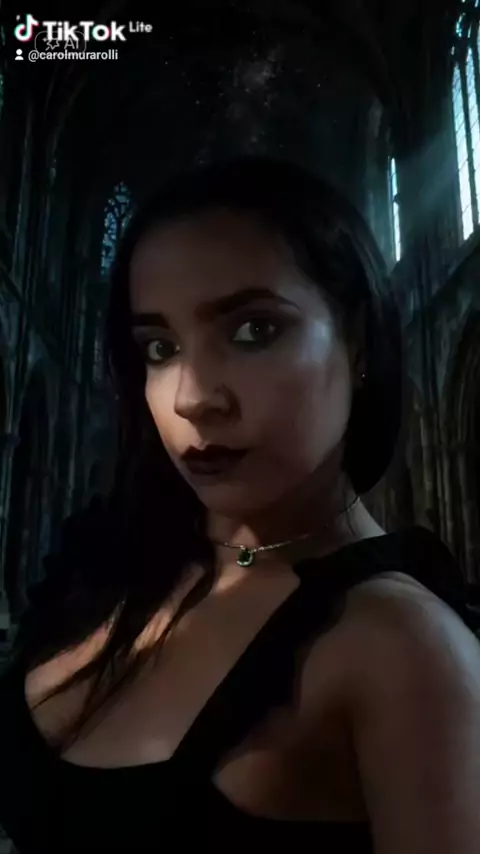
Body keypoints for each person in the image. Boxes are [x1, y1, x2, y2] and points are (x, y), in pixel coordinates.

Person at [0, 155, 479, 853]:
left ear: (359, 339)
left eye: (254, 331)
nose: (192, 398)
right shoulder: (112, 561)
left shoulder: (406, 651)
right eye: (159, 347)